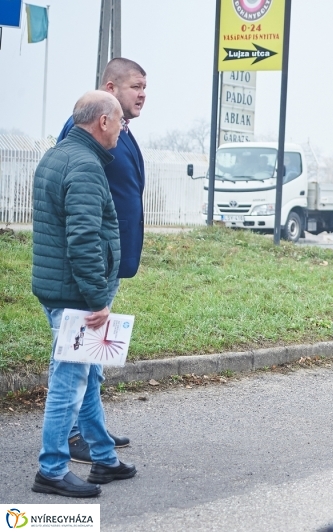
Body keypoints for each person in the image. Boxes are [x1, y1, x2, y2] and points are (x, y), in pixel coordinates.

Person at [31, 91, 137, 497]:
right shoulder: (86, 166)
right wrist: (98, 301)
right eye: (120, 121)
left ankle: (104, 459)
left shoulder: (56, 156)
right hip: (76, 296)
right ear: (103, 122)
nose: (122, 129)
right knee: (69, 381)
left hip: (57, 288)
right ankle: (52, 469)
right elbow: (83, 240)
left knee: (89, 375)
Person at [57, 57, 147, 463]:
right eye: (135, 87)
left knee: (93, 353)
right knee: (78, 352)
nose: (142, 95)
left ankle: (91, 427)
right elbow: (74, 191)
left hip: (110, 260)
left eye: (144, 88)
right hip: (93, 260)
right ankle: (74, 435)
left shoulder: (122, 131)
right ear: (110, 88)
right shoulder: (85, 130)